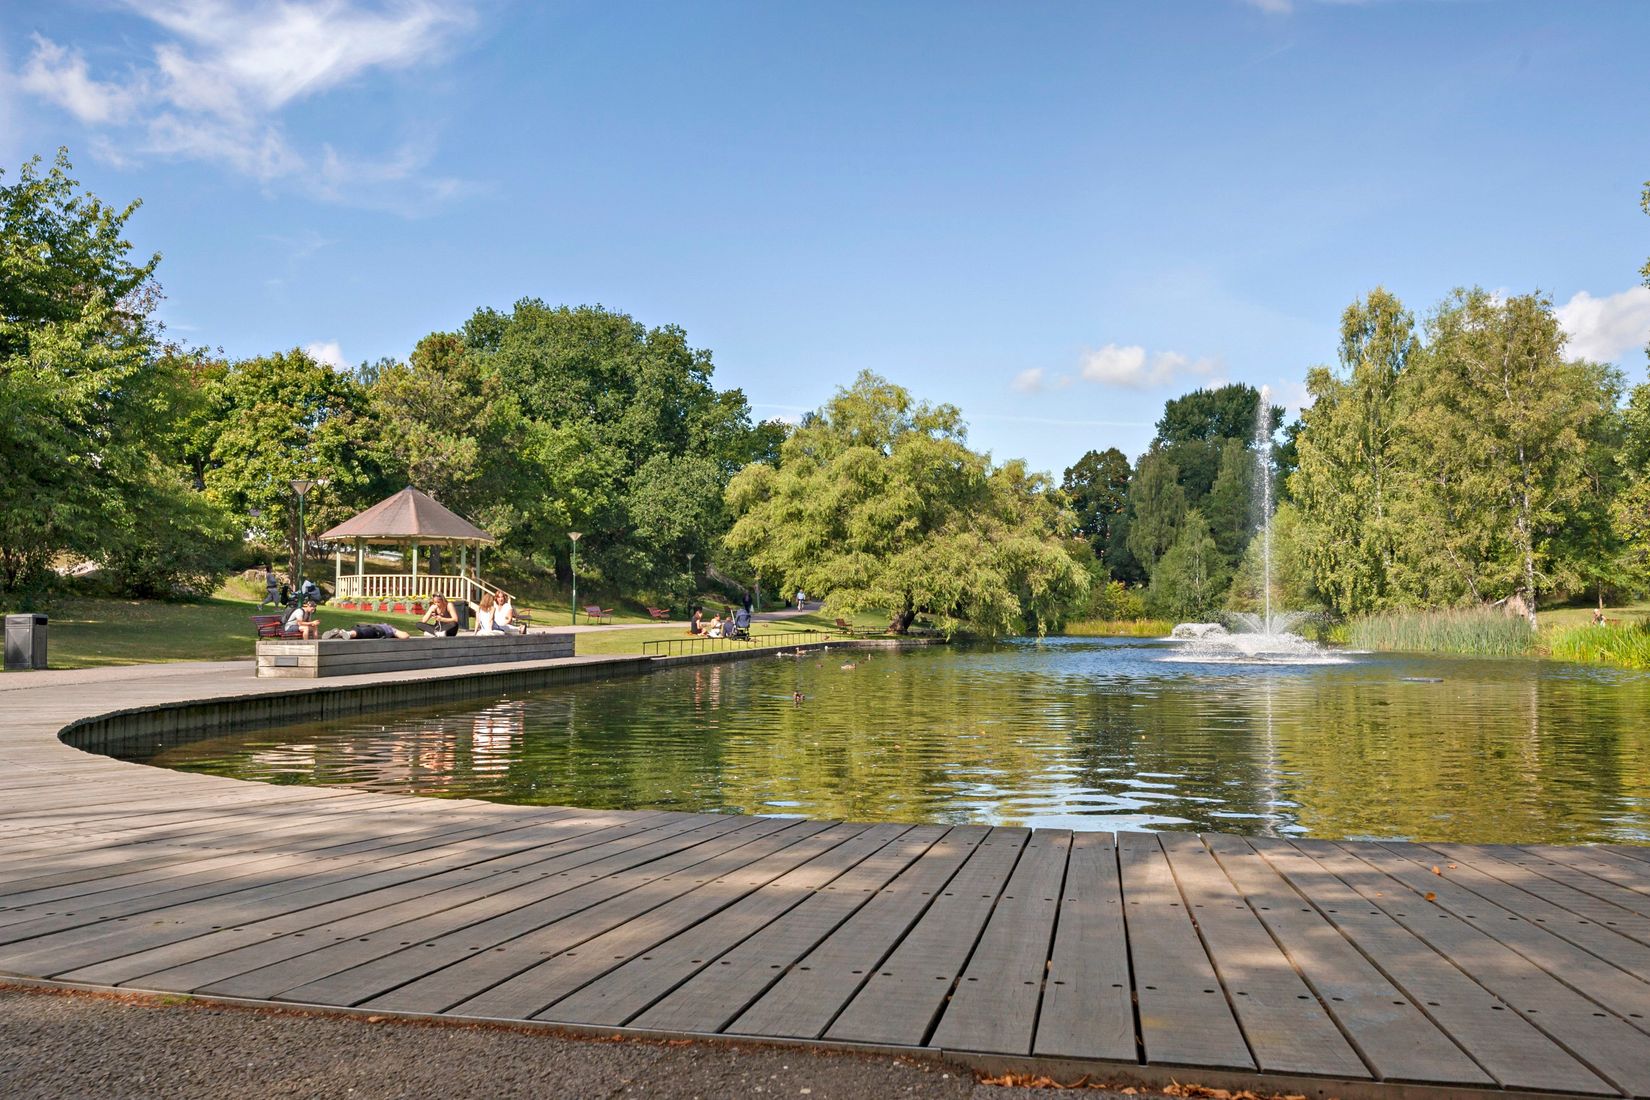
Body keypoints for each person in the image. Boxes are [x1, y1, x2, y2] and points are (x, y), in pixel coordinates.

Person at [323, 623, 410, 640]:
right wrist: (395, 632)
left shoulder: (379, 624)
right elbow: (405, 636)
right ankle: (347, 633)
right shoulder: (390, 629)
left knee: (359, 631)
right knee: (362, 633)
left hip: (364, 625)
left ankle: (339, 633)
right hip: (376, 632)